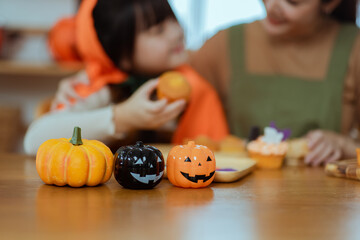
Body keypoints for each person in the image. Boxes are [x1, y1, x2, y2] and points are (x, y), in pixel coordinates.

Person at [24, 0, 229, 155]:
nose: (177, 32)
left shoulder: (190, 79)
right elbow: (34, 140)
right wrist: (122, 116)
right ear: (121, 56)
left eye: (173, 19)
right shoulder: (101, 84)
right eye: (158, 30)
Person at [189, 0, 360, 166]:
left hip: (327, 192)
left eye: (292, 2)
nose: (272, 7)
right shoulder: (224, 43)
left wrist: (343, 145)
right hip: (238, 192)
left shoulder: (354, 48)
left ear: (331, 3)